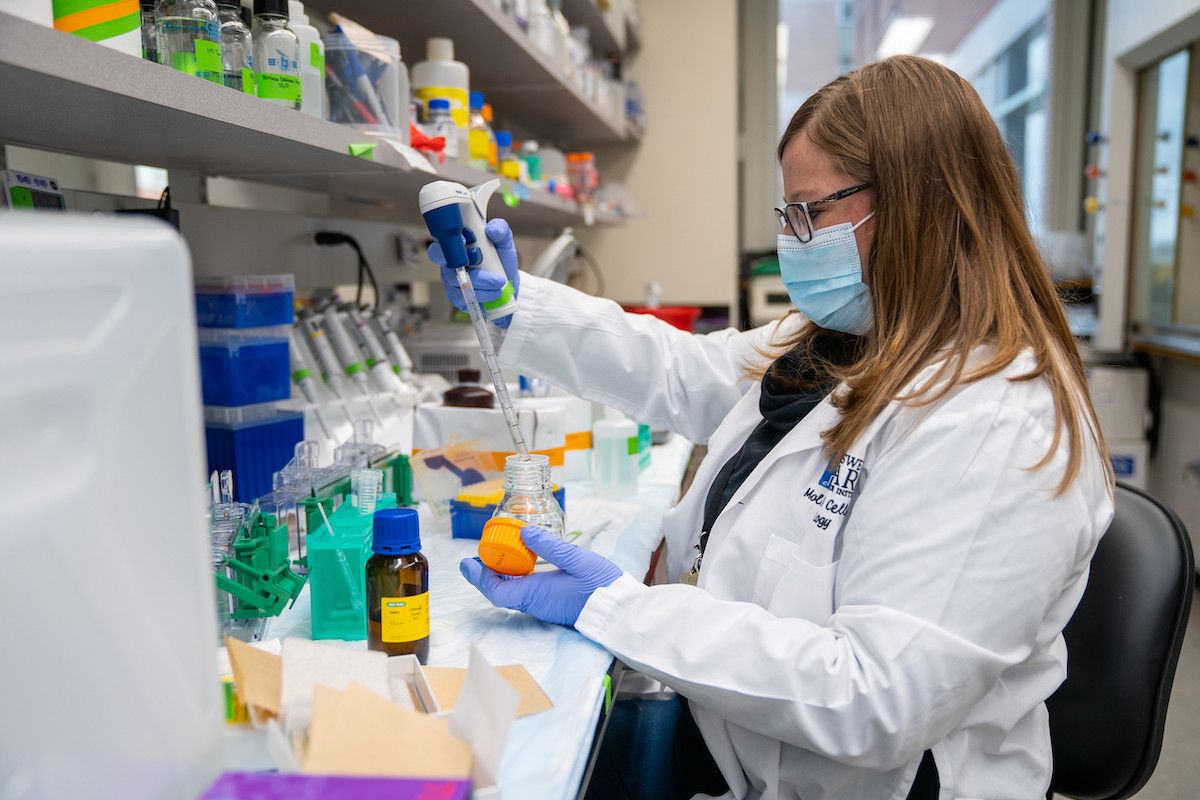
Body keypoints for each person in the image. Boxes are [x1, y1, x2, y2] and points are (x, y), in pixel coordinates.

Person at [429, 56, 1115, 800]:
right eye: (787, 213)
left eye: (809, 212)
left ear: (918, 205)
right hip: (749, 753)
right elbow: (684, 371)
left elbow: (875, 698)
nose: (793, 238)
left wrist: (619, 607)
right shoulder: (851, 335)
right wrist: (517, 308)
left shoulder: (996, 419)